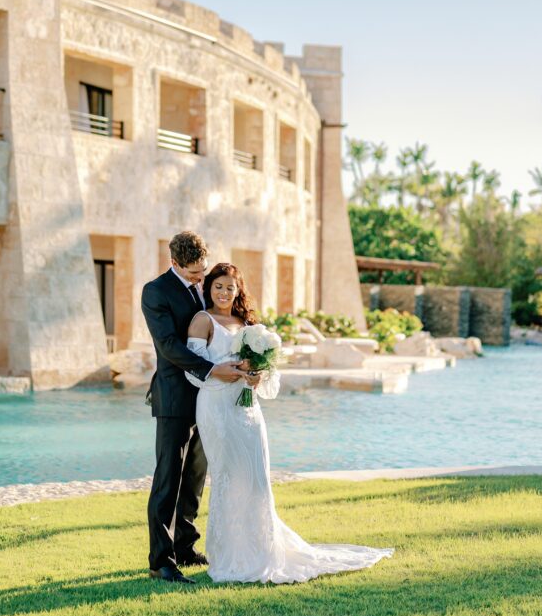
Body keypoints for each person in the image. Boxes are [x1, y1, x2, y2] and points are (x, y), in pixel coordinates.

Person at [186, 262, 394, 583]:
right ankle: (230, 554)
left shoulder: (248, 325)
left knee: (256, 477)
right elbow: (193, 369)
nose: (225, 293)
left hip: (248, 408)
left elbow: (269, 373)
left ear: (239, 290)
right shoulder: (203, 320)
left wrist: (256, 375)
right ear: (209, 288)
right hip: (216, 406)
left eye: (231, 287)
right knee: (228, 473)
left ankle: (261, 549)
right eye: (219, 286)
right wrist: (228, 368)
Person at [142, 231, 245, 584]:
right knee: (168, 478)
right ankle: (161, 560)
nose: (201, 280)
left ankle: (186, 547)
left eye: (202, 272)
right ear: (174, 264)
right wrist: (211, 369)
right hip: (174, 398)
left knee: (195, 478)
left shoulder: (206, 284)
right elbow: (169, 345)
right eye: (193, 274)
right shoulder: (155, 292)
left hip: (210, 399)